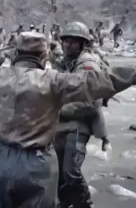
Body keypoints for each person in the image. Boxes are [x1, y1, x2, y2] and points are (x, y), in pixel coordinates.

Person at [0, 31, 136, 207]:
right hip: (39, 162)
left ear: (16, 53)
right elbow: (98, 82)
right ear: (43, 55)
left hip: (1, 158)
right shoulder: (53, 81)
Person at [55, 21, 110, 208]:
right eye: (66, 41)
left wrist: (60, 110)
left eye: (74, 42)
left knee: (71, 172)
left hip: (79, 124)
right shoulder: (65, 62)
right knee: (58, 171)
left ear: (82, 44)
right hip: (61, 124)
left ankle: (85, 203)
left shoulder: (88, 65)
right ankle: (65, 202)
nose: (68, 45)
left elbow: (90, 103)